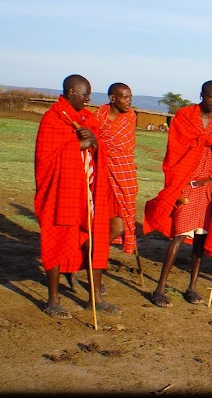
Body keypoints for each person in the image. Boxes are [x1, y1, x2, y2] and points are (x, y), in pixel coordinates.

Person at [142, 81, 212, 308]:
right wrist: (176, 186)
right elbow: (175, 153)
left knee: (200, 238)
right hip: (187, 185)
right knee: (179, 236)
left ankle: (192, 287)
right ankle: (159, 288)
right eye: (211, 97)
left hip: (208, 187)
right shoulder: (185, 116)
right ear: (201, 95)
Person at [34, 74, 120, 319]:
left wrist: (93, 141)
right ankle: (53, 300)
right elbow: (45, 158)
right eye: (86, 94)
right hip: (60, 193)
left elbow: (98, 145)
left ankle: (96, 298)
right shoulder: (53, 119)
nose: (89, 98)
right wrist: (78, 145)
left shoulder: (86, 118)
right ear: (72, 92)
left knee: (96, 241)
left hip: (88, 192)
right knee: (57, 242)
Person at [93, 82, 139, 298]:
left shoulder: (130, 118)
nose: (129, 101)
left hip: (123, 175)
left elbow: (124, 149)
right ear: (112, 98)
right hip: (101, 178)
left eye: (130, 97)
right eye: (124, 97)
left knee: (118, 227)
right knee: (100, 226)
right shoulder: (97, 117)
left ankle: (90, 258)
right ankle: (94, 267)